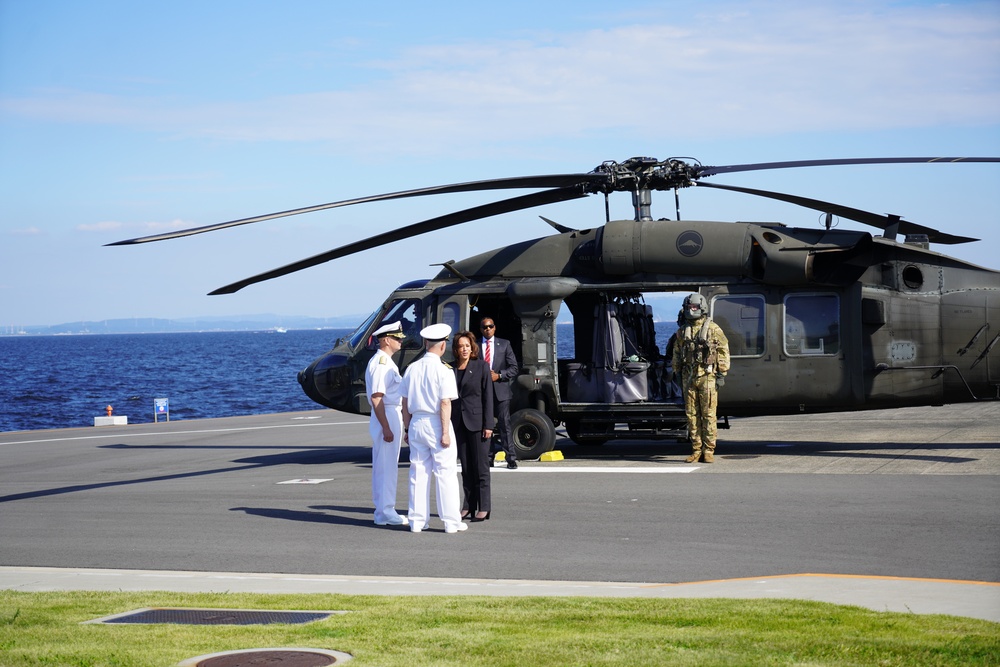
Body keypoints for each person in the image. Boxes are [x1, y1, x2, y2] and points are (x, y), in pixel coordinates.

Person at [401, 323, 467, 533]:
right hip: (436, 422)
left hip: (416, 422)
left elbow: (404, 402)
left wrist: (406, 428)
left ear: (426, 343)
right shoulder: (443, 370)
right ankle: (450, 522)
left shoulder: (411, 368)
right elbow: (445, 403)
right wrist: (446, 432)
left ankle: (417, 522)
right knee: (445, 473)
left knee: (418, 473)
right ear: (442, 345)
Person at [671, 293, 730, 463]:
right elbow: (677, 352)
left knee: (709, 415)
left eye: (695, 307)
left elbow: (723, 351)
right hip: (688, 377)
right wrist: (676, 371)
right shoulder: (682, 331)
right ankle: (696, 449)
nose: (692, 310)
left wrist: (722, 373)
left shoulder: (713, 329)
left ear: (702, 308)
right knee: (691, 415)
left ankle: (709, 450)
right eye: (690, 307)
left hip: (707, 377)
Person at [364, 321, 409, 526]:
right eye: (397, 338)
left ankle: (383, 510)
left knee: (386, 465)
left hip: (390, 413)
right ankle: (385, 511)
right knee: (387, 465)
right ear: (386, 340)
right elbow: (377, 398)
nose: (401, 340)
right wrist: (386, 427)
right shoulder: (382, 363)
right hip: (387, 414)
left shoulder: (385, 361)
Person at [450, 330, 494, 522]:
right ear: (456, 349)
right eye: (461, 346)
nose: (464, 349)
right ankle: (468, 505)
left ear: (472, 347)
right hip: (458, 423)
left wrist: (489, 424)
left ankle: (484, 507)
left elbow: (488, 397)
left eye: (467, 346)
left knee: (481, 467)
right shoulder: (450, 369)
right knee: (466, 467)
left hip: (478, 423)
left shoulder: (481, 367)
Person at [480, 316, 519, 468]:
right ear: (481, 329)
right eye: (485, 327)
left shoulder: (504, 344)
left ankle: (511, 458)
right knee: (486, 425)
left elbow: (514, 367)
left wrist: (499, 375)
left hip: (501, 391)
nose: (487, 329)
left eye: (490, 326)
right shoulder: (475, 345)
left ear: (495, 327)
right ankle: (488, 457)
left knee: (505, 424)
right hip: (483, 391)